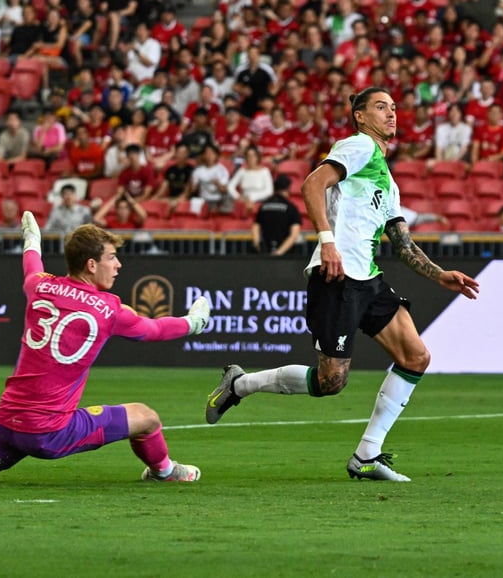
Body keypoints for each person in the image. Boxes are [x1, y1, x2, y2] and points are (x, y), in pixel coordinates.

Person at [204, 87, 480, 482]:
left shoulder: (388, 181)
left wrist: (439, 275)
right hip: (336, 275)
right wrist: (326, 241)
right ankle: (241, 383)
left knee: (415, 357)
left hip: (367, 278)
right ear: (361, 116)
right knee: (331, 381)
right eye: (381, 107)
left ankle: (366, 456)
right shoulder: (358, 146)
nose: (391, 114)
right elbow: (312, 185)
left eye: (394, 108)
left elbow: (401, 240)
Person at [0, 213, 211, 486]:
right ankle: (165, 473)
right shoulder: (108, 308)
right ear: (91, 264)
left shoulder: (40, 286)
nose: (118, 265)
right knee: (148, 418)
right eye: (112, 258)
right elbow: (152, 330)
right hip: (50, 432)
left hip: (8, 420)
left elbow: (31, 266)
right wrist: (193, 322)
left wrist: (31, 240)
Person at [251, 174, 301, 256]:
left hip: (265, 254)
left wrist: (259, 247)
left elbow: (256, 227)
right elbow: (294, 235)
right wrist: (278, 253)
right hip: (285, 257)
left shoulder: (264, 205)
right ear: (288, 188)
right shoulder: (291, 208)